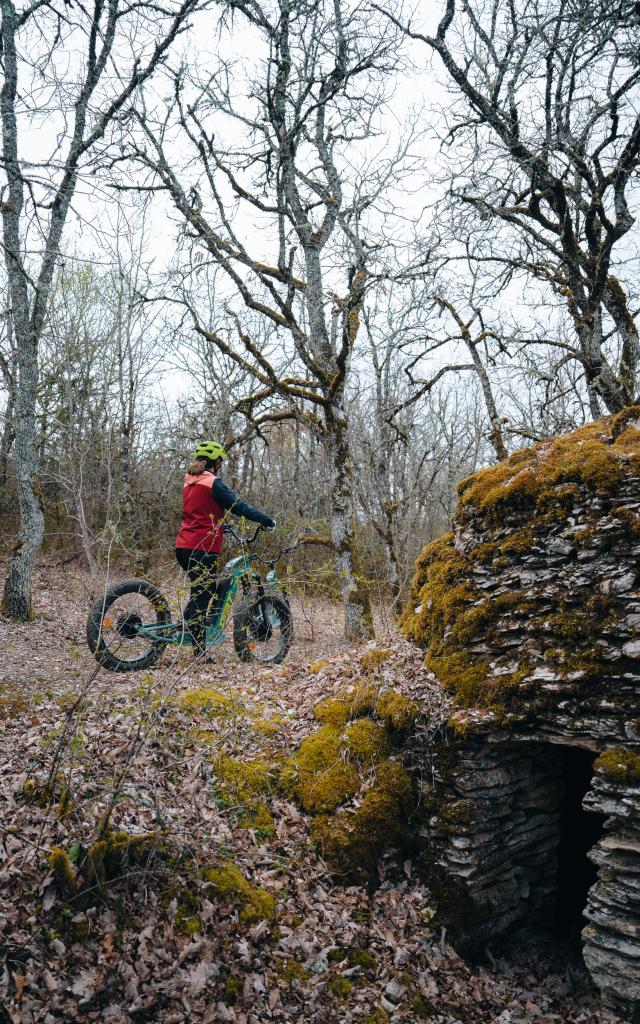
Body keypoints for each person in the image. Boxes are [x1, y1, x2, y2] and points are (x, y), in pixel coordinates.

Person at [175, 440, 275, 660]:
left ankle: (185, 625)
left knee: (202, 589)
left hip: (183, 545)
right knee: (203, 594)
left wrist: (220, 524)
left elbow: (201, 511)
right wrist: (265, 519)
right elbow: (238, 506)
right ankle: (199, 653)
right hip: (201, 547)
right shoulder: (212, 482)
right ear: (216, 461)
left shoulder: (189, 481)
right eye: (220, 461)